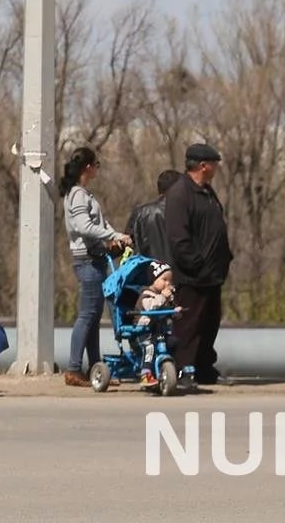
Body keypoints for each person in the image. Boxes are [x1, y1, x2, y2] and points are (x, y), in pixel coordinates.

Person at [164, 143, 232, 389]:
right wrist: (197, 264)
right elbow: (178, 238)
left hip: (212, 275)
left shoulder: (206, 192)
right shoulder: (180, 194)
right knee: (188, 325)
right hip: (192, 276)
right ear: (203, 165)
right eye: (214, 163)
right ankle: (183, 371)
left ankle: (204, 368)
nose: (216, 167)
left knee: (209, 323)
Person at [61, 147, 130, 388]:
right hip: (88, 260)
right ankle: (73, 369)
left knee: (92, 317)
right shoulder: (78, 195)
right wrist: (113, 234)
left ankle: (94, 368)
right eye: (96, 164)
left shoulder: (82, 194)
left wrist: (114, 237)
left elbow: (98, 223)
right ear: (88, 167)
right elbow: (84, 226)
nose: (97, 169)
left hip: (96, 258)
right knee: (87, 315)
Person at [125, 169, 182, 265]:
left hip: (148, 272)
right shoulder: (186, 212)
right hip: (179, 273)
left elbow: (127, 243)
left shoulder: (140, 213)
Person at [135, 264, 176, 386]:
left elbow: (169, 310)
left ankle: (170, 370)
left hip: (158, 331)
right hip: (144, 331)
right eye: (164, 280)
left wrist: (175, 310)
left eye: (170, 281)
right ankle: (145, 374)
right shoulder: (146, 295)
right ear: (154, 280)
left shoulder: (165, 297)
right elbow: (151, 307)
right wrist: (163, 297)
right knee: (150, 347)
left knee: (173, 342)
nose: (167, 283)